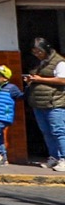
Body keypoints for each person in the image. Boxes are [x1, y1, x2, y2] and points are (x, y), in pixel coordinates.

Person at [26, 37, 65, 169]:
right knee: (46, 132)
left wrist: (40, 79)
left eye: (39, 51)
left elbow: (62, 80)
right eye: (34, 52)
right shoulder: (39, 63)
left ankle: (64, 158)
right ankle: (53, 157)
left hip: (54, 102)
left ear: (46, 49)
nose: (37, 54)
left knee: (58, 131)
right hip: (39, 103)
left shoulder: (59, 62)